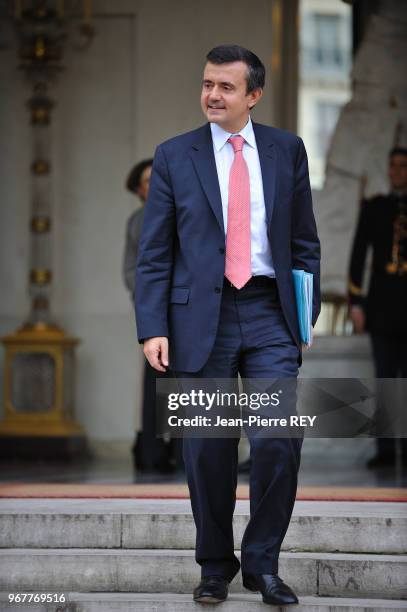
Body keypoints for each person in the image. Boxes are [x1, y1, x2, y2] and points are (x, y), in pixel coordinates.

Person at [136, 45, 320, 605]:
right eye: (207, 84)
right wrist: (152, 326)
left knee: (276, 441)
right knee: (208, 448)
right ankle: (214, 565)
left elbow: (305, 241)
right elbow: (155, 252)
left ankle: (263, 564)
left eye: (226, 87)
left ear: (254, 95)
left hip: (268, 314)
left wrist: (302, 316)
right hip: (199, 321)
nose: (212, 95)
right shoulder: (173, 155)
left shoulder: (287, 150)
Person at [349, 147, 407, 468]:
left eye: (403, 166)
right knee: (385, 379)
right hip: (383, 306)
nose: (398, 171)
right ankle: (386, 450)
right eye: (394, 166)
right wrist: (356, 300)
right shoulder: (375, 208)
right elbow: (358, 256)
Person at [123, 159, 176, 473]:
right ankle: (153, 454)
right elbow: (131, 270)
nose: (153, 183)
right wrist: (149, 298)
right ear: (139, 190)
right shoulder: (135, 221)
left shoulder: (181, 210)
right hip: (156, 312)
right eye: (146, 180)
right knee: (155, 382)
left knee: (188, 382)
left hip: (187, 309)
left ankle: (185, 454)